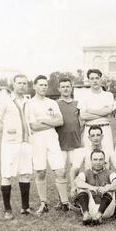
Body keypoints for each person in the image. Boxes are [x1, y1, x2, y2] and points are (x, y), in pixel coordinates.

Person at [25, 75, 69, 215]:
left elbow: (60, 121)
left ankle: (65, 203)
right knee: (40, 171)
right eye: (40, 85)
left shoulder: (52, 102)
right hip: (37, 141)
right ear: (34, 86)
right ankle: (43, 203)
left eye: (45, 85)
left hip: (52, 140)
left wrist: (43, 120)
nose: (43, 87)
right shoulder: (30, 104)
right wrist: (50, 122)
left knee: (60, 171)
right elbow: (34, 126)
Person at [0, 74, 33, 219]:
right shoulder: (5, 102)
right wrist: (8, 131)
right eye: (19, 83)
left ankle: (25, 207)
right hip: (10, 144)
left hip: (26, 143)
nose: (22, 85)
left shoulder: (28, 102)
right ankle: (7, 210)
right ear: (13, 84)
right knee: (7, 175)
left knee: (25, 173)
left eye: (24, 83)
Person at [73, 149, 116, 225]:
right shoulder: (86, 172)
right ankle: (86, 215)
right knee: (81, 188)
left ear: (104, 161)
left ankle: (98, 216)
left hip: (106, 210)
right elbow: (77, 181)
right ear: (91, 161)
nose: (98, 162)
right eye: (95, 159)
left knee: (110, 188)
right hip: (90, 208)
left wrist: (106, 188)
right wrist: (91, 187)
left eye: (100, 159)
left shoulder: (109, 173)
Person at [56, 77, 83, 206]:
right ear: (59, 89)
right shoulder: (55, 104)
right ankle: (62, 200)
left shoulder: (78, 103)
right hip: (60, 143)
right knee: (60, 171)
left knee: (76, 170)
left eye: (68, 86)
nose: (66, 89)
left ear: (71, 88)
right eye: (63, 86)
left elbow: (82, 122)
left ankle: (77, 197)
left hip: (76, 143)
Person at [78, 69, 115, 154]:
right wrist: (103, 114)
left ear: (101, 79)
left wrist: (90, 111)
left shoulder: (108, 95)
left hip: (105, 128)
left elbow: (109, 111)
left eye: (97, 78)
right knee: (88, 158)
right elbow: (83, 116)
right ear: (89, 80)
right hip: (89, 129)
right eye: (92, 78)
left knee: (107, 157)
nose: (95, 81)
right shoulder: (84, 95)